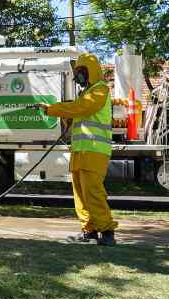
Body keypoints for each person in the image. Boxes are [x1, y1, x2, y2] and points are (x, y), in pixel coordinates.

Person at [34, 53, 118, 246]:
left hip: (94, 151)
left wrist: (52, 109)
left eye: (81, 71)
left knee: (93, 192)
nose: (78, 76)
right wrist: (65, 116)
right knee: (80, 194)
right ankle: (89, 231)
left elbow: (81, 108)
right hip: (80, 151)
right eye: (77, 72)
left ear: (90, 71)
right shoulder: (85, 94)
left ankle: (107, 231)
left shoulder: (100, 90)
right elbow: (77, 112)